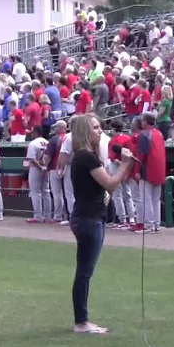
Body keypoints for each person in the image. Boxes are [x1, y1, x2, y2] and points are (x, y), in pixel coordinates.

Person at [68, 114, 134, 334]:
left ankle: (82, 320)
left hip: (87, 215)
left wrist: (102, 195)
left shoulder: (83, 157)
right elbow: (111, 184)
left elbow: (98, 188)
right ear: (86, 132)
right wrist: (125, 165)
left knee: (84, 271)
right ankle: (81, 321)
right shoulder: (87, 157)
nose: (100, 131)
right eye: (95, 128)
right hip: (89, 218)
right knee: (85, 272)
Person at [131, 113, 166, 234]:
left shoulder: (144, 134)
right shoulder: (159, 133)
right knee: (156, 199)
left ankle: (149, 225)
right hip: (160, 169)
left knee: (147, 199)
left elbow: (141, 155)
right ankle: (156, 224)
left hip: (148, 169)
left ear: (145, 122)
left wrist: (136, 171)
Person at [107, 119, 135, 228]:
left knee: (117, 194)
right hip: (127, 166)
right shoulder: (128, 138)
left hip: (117, 167)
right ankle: (132, 218)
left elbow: (113, 158)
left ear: (114, 128)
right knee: (127, 193)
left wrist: (122, 165)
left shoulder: (113, 140)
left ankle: (123, 219)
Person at [45, 120, 68, 222]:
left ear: (60, 128)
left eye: (56, 127)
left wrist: (44, 166)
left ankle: (58, 216)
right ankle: (67, 215)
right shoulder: (69, 138)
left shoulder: (54, 139)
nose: (54, 129)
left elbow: (47, 156)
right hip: (68, 167)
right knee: (68, 193)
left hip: (55, 168)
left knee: (57, 193)